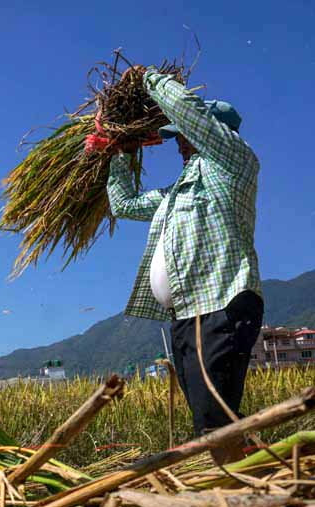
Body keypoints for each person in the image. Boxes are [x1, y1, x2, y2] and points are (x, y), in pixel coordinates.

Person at [107, 66, 262, 465]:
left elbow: (192, 114)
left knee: (215, 416)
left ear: (211, 132)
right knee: (206, 416)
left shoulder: (232, 165)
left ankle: (233, 485)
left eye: (183, 137)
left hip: (221, 305)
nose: (179, 145)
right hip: (185, 313)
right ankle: (229, 477)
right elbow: (124, 205)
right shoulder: (176, 192)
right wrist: (119, 156)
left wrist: (149, 80)